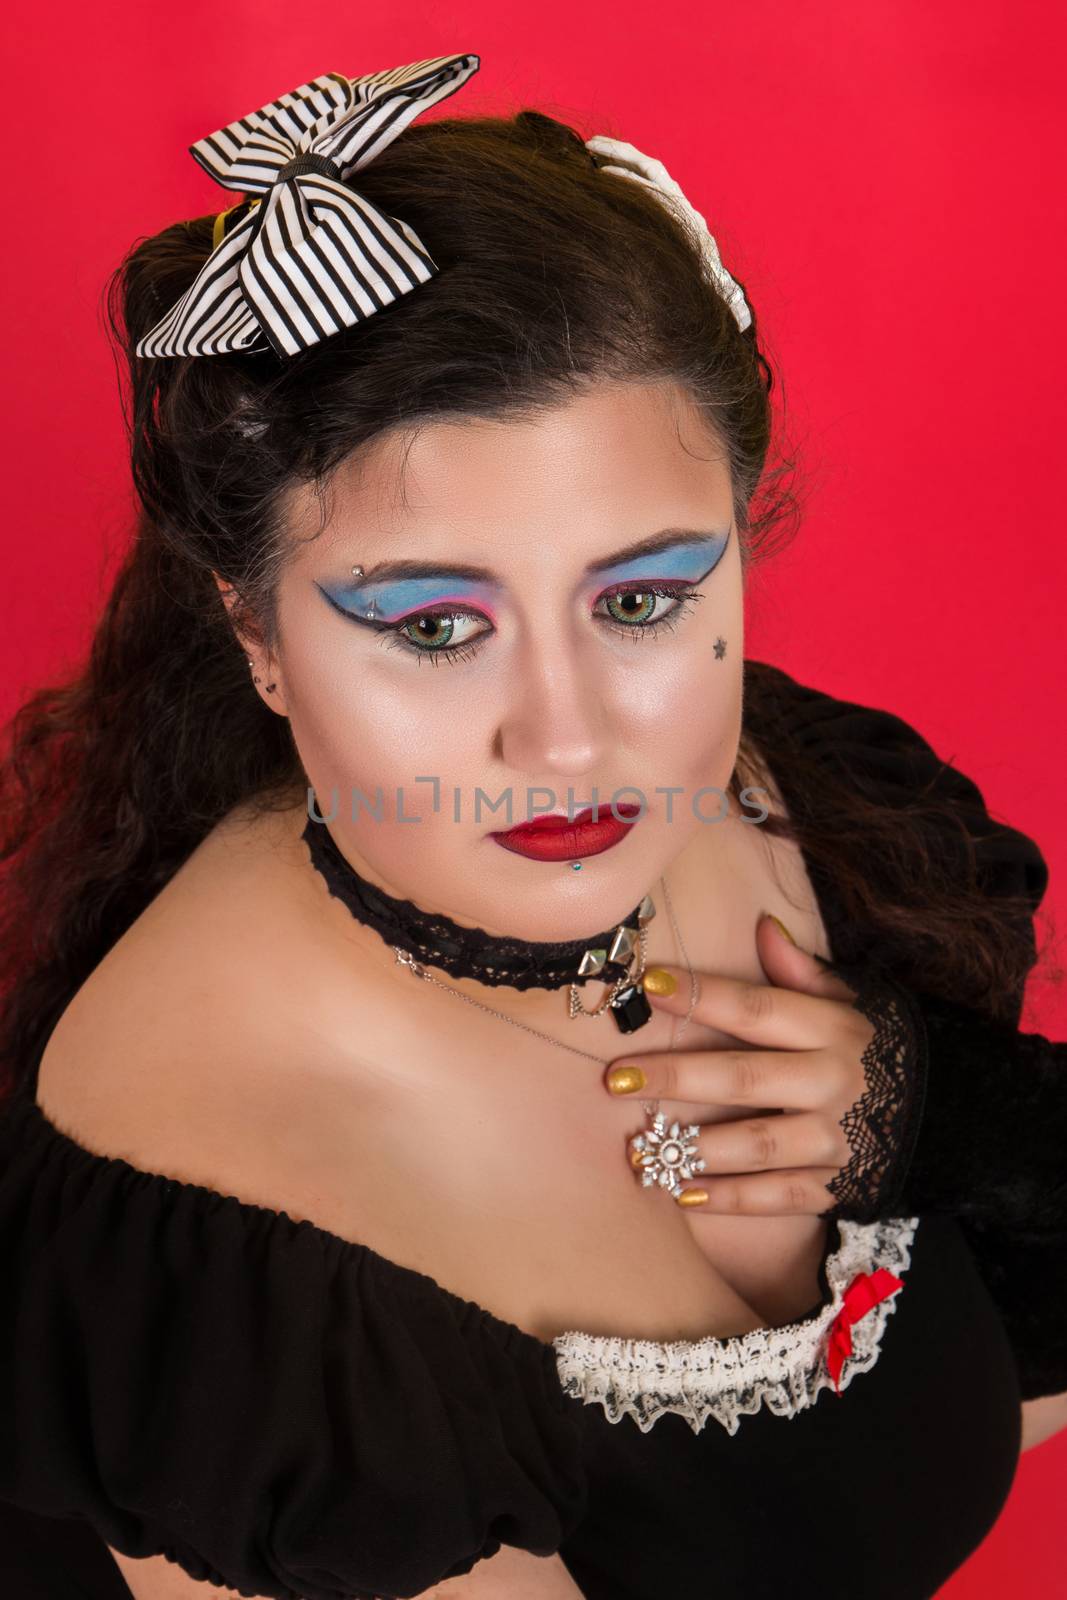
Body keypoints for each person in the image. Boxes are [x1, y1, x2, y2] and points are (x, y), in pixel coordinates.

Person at [0, 55, 1064, 1600]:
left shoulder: (787, 789)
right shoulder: (232, 1249)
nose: (567, 741)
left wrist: (948, 1113)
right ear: (257, 637)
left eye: (639, 599)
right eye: (435, 627)